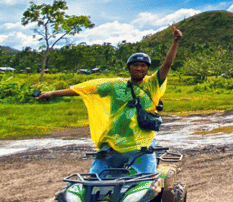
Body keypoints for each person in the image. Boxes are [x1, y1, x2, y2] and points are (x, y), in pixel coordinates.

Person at [37, 26, 183, 176]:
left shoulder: (152, 84)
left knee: (148, 177)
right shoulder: (115, 85)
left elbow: (167, 65)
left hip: (142, 142)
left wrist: (175, 41)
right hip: (115, 140)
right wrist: (52, 93)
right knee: (97, 173)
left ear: (147, 69)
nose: (139, 68)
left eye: (143, 66)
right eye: (135, 65)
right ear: (129, 68)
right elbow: (85, 89)